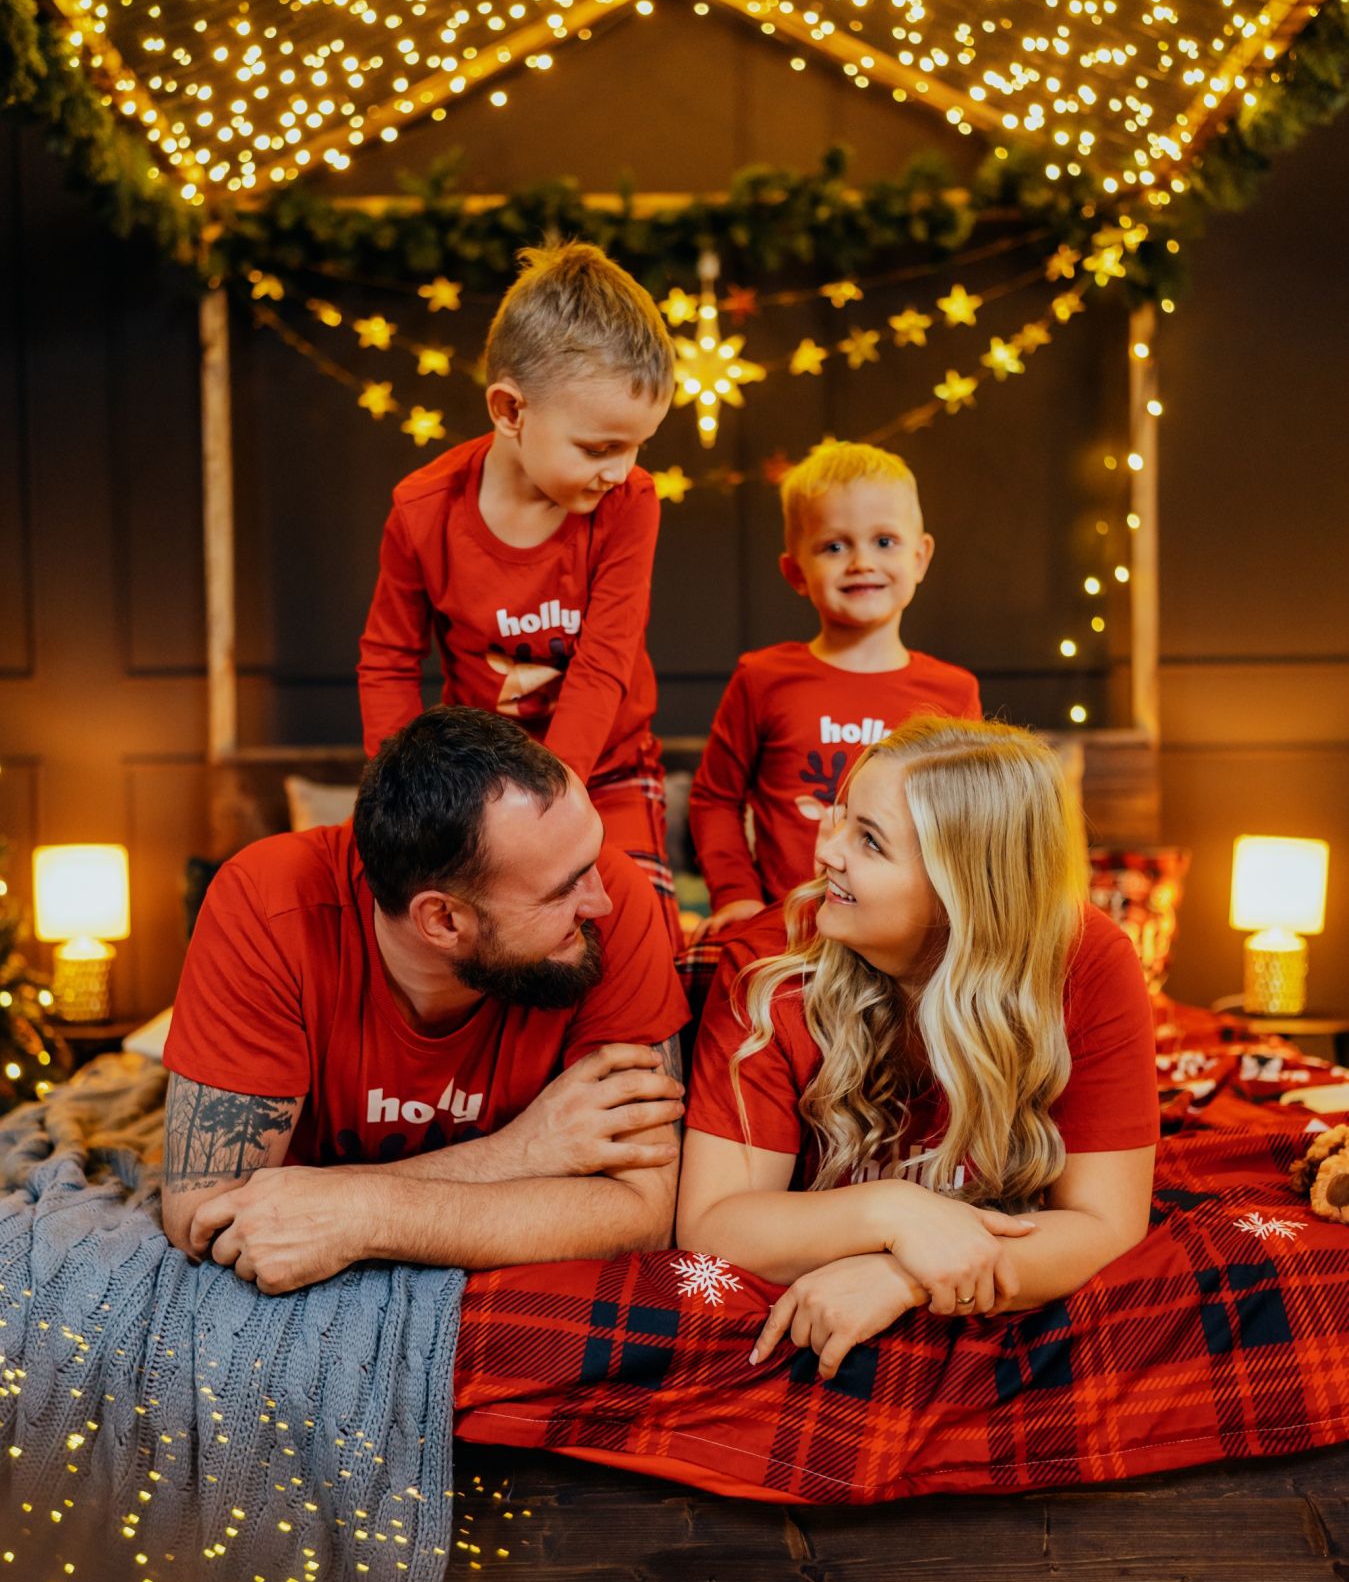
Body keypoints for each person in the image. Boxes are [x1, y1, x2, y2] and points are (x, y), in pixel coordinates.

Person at [678, 715, 1159, 1381]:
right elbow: (712, 1225)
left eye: (869, 841)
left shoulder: (1088, 961)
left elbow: (1105, 1225)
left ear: (961, 889)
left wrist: (905, 1277)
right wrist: (893, 1212)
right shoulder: (768, 964)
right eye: (841, 818)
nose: (826, 853)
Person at [159, 708, 689, 1294]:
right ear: (442, 920)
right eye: (560, 891)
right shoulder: (268, 902)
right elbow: (207, 1218)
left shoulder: (613, 904)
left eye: (591, 860)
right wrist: (518, 1153)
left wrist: (364, 1213)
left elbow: (645, 1213)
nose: (600, 901)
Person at [357, 239, 682, 945]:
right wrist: (401, 795)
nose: (620, 469)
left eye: (637, 445)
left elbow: (605, 659)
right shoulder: (422, 512)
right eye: (598, 448)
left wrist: (556, 800)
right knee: (489, 945)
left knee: (640, 941)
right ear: (510, 410)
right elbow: (388, 661)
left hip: (607, 771)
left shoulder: (629, 502)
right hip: (483, 788)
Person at [687, 441, 981, 942]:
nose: (861, 562)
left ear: (920, 558)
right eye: (834, 547)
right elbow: (715, 798)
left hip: (905, 940)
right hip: (786, 934)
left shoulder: (953, 693)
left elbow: (968, 824)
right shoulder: (763, 678)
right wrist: (736, 896)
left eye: (884, 541)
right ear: (795, 572)